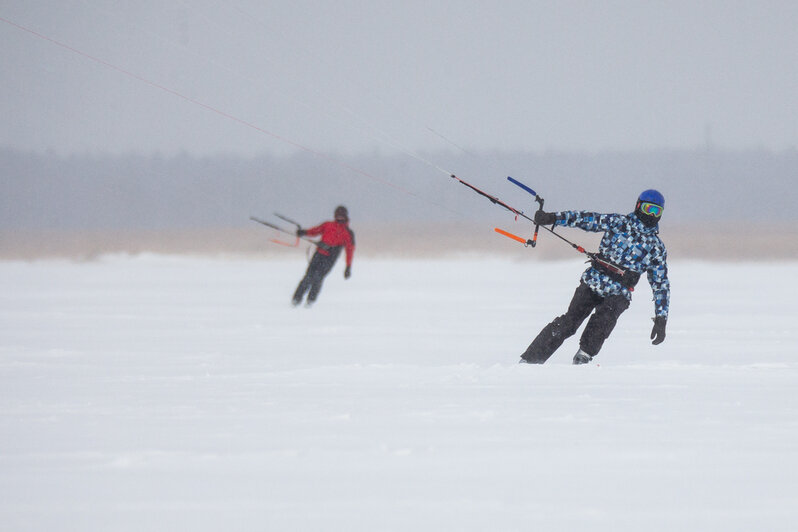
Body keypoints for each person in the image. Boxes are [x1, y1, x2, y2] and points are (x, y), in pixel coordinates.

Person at [519, 189, 670, 364]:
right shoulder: (618, 223)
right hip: (594, 282)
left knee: (604, 319)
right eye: (648, 208)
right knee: (568, 323)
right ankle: (530, 361)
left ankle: (584, 356)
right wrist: (553, 218)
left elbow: (661, 284)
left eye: (656, 211)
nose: (651, 215)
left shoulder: (656, 248)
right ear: (638, 206)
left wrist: (661, 318)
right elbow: (586, 219)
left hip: (619, 292)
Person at [291, 206, 355, 307]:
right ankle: (296, 299)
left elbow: (350, 250)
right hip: (318, 255)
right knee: (308, 277)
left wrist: (348, 267)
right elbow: (314, 231)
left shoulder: (348, 233)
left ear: (346, 217)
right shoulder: (327, 225)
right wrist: (304, 232)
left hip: (330, 259)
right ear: (335, 216)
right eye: (338, 216)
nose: (340, 218)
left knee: (318, 278)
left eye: (342, 216)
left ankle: (310, 301)